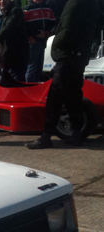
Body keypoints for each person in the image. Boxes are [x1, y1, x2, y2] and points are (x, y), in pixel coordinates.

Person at [27, 0, 101, 148]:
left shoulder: (74, 4)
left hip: (68, 56)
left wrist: (55, 45)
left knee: (55, 96)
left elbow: (67, 30)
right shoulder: (92, 4)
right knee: (73, 94)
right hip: (79, 55)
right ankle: (76, 133)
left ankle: (47, 135)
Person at [0, 0, 29, 85]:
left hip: (17, 56)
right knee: (6, 83)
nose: (2, 2)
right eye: (0, 0)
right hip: (6, 55)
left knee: (16, 84)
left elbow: (9, 28)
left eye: (5, 0)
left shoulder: (15, 11)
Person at [24, 0, 56, 82]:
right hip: (32, 43)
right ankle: (28, 90)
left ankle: (35, 89)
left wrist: (46, 32)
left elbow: (53, 22)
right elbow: (21, 26)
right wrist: (29, 37)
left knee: (39, 68)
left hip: (42, 42)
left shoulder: (47, 8)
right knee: (31, 68)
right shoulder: (27, 9)